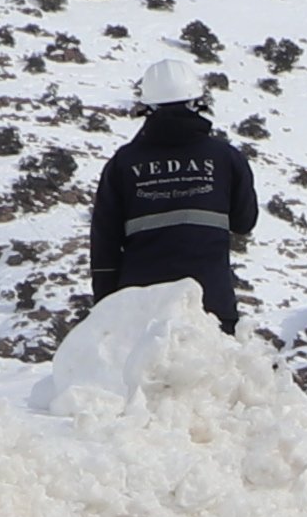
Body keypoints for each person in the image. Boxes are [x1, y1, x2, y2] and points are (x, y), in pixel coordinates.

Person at [87, 60, 262, 330]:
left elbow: (104, 243)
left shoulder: (123, 163)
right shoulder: (225, 157)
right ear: (195, 102)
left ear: (148, 107)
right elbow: (244, 221)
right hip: (211, 304)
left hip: (141, 308)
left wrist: (106, 310)